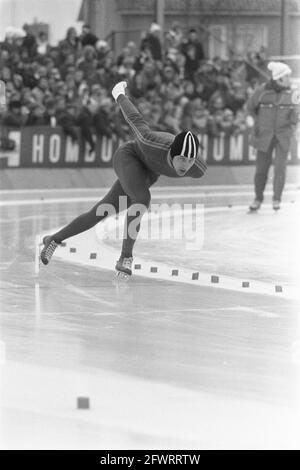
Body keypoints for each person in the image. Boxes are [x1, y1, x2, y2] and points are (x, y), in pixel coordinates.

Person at [40, 81, 207, 277]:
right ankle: (126, 257)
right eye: (181, 159)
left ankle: (54, 239)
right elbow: (135, 118)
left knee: (102, 211)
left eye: (189, 160)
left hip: (148, 173)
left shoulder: (197, 169)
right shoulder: (150, 141)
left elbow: (190, 162)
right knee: (142, 199)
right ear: (171, 152)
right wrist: (119, 94)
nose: (184, 165)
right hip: (129, 157)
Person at [247, 61, 300, 211]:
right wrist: (255, 123)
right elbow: (250, 107)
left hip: (283, 136)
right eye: (287, 77)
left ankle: (277, 199)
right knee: (261, 169)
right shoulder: (262, 91)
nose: (290, 80)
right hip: (264, 136)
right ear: (278, 79)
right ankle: (258, 198)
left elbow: (296, 114)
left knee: (280, 168)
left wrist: (296, 122)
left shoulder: (294, 93)